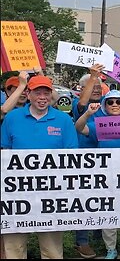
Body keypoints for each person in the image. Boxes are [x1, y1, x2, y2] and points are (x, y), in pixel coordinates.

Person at [1, 75, 78, 259]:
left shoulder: (63, 120)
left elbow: (73, 157)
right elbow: (5, 151)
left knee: (52, 250)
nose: (42, 97)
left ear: (51, 95)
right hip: (17, 195)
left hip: (51, 195)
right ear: (28, 94)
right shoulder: (12, 118)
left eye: (46, 93)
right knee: (14, 248)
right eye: (37, 93)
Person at [75, 90, 120, 259]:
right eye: (110, 102)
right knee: (109, 212)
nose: (114, 105)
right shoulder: (99, 124)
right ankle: (110, 249)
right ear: (105, 106)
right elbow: (79, 128)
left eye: (118, 102)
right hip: (106, 175)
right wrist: (89, 113)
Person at [71, 64, 106, 259]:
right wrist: (93, 77)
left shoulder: (107, 105)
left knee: (102, 197)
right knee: (84, 200)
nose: (96, 90)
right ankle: (82, 241)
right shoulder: (81, 107)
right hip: (85, 160)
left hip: (105, 160)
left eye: (99, 87)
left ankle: (100, 235)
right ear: (82, 90)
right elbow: (83, 105)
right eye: (92, 87)